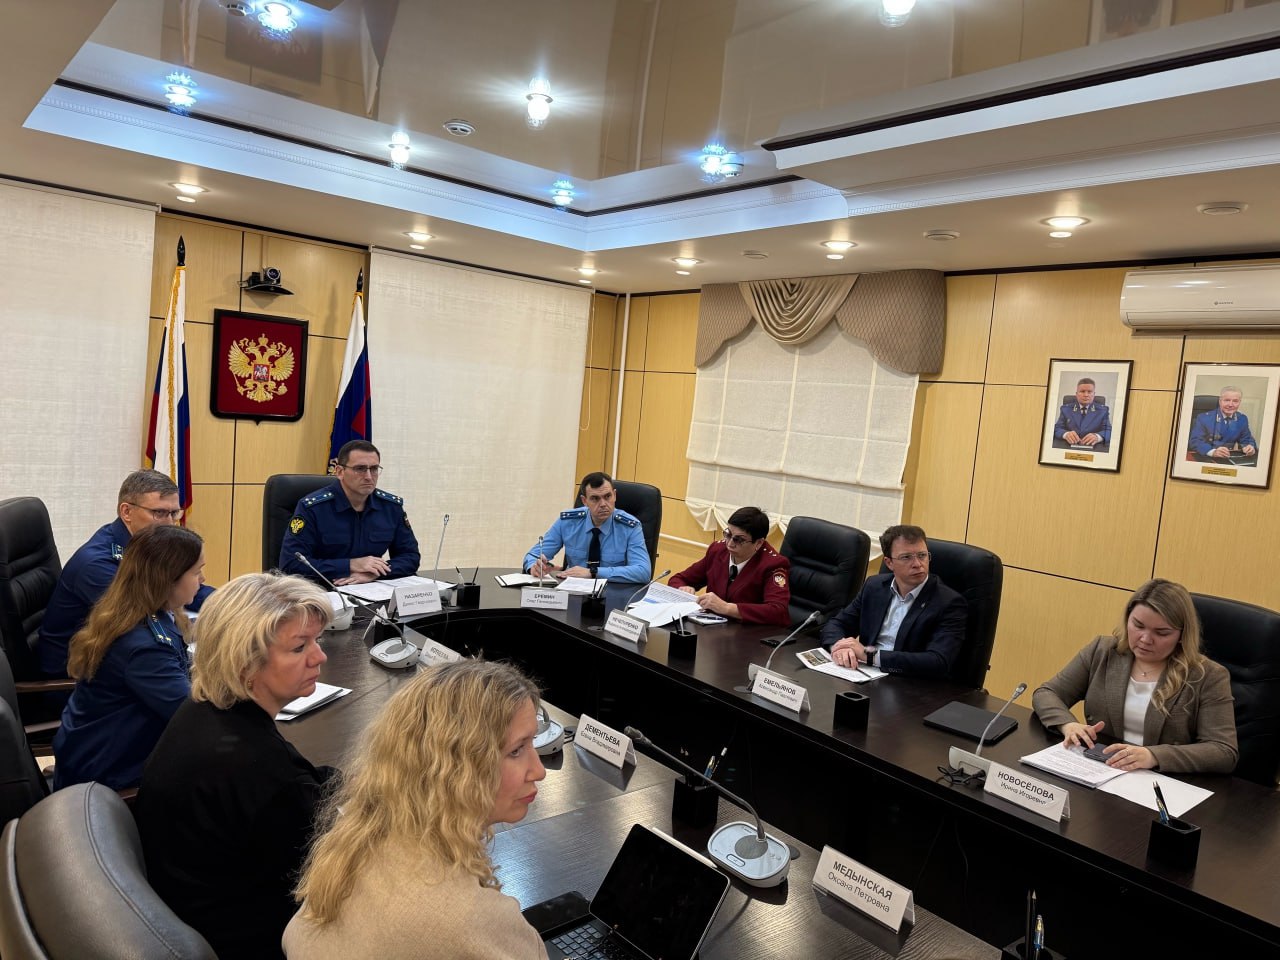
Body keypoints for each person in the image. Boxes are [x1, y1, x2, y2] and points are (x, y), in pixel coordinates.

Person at [283, 659, 548, 959]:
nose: (539, 771)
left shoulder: (355, 842)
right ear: (457, 769)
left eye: (533, 743)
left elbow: (294, 936)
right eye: (516, 750)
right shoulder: (468, 919)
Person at [135, 572, 336, 960]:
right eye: (299, 647)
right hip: (247, 938)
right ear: (246, 665)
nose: (319, 657)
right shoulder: (258, 768)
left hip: (193, 901)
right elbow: (323, 873)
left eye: (317, 640)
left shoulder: (204, 709)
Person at [51, 525, 205, 790]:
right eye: (196, 571)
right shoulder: (144, 647)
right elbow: (191, 715)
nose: (203, 579)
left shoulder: (139, 612)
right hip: (108, 775)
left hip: (100, 749)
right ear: (168, 579)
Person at [1032, 579, 1238, 774]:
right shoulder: (1102, 651)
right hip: (1101, 769)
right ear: (1127, 619)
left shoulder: (1208, 676)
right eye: (1138, 625)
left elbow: (1223, 751)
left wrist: (1153, 756)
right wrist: (1068, 725)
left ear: (1182, 635)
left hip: (1162, 780)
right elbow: (1046, 693)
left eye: (1161, 633)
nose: (1145, 639)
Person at [37, 469, 212, 677]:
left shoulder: (144, 549)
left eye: (174, 513)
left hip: (120, 663)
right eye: (159, 513)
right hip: (75, 678)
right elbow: (148, 621)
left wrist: (231, 603)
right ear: (127, 512)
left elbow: (186, 590)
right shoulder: (98, 565)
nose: (170, 523)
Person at [820, 524, 966, 679]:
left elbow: (938, 661)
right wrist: (839, 648)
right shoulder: (874, 586)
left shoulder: (949, 603)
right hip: (863, 675)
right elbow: (837, 624)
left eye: (922, 555)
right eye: (906, 557)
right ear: (889, 563)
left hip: (908, 683)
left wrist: (870, 656)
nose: (917, 564)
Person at [279, 440, 421, 585]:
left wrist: (375, 573)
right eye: (360, 469)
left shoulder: (390, 507)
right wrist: (351, 565)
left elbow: (410, 557)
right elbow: (290, 565)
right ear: (340, 472)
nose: (369, 476)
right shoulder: (312, 508)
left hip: (371, 588)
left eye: (374, 469)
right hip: (324, 589)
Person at [669, 506, 790, 625]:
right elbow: (678, 579)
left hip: (748, 632)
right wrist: (683, 589)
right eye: (728, 534)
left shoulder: (772, 564)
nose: (730, 543)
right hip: (711, 627)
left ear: (758, 543)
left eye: (739, 540)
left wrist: (727, 608)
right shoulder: (718, 550)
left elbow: (778, 611)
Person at [522, 471, 650, 583]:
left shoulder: (630, 527)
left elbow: (643, 572)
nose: (603, 504)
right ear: (584, 501)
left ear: (614, 495)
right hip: (573, 590)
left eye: (607, 496)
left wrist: (593, 572)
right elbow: (533, 555)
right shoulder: (568, 522)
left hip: (613, 591)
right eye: (595, 498)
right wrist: (535, 567)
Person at [1189, 386, 1258, 460]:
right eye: (1227, 400)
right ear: (1220, 401)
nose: (1230, 405)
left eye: (1235, 401)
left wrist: (1250, 447)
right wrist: (1213, 452)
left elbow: (1247, 439)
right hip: (1205, 457)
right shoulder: (1204, 418)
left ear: (1239, 402)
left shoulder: (1242, 419)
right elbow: (1195, 441)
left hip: (1227, 457)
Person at [1053, 377, 1111, 448]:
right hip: (1069, 446)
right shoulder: (1066, 409)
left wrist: (1098, 436)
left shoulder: (1103, 411)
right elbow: (1057, 428)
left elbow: (1108, 431)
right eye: (1082, 391)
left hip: (1093, 447)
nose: (1086, 395)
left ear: (1094, 394)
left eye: (1089, 392)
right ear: (1076, 394)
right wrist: (1065, 434)